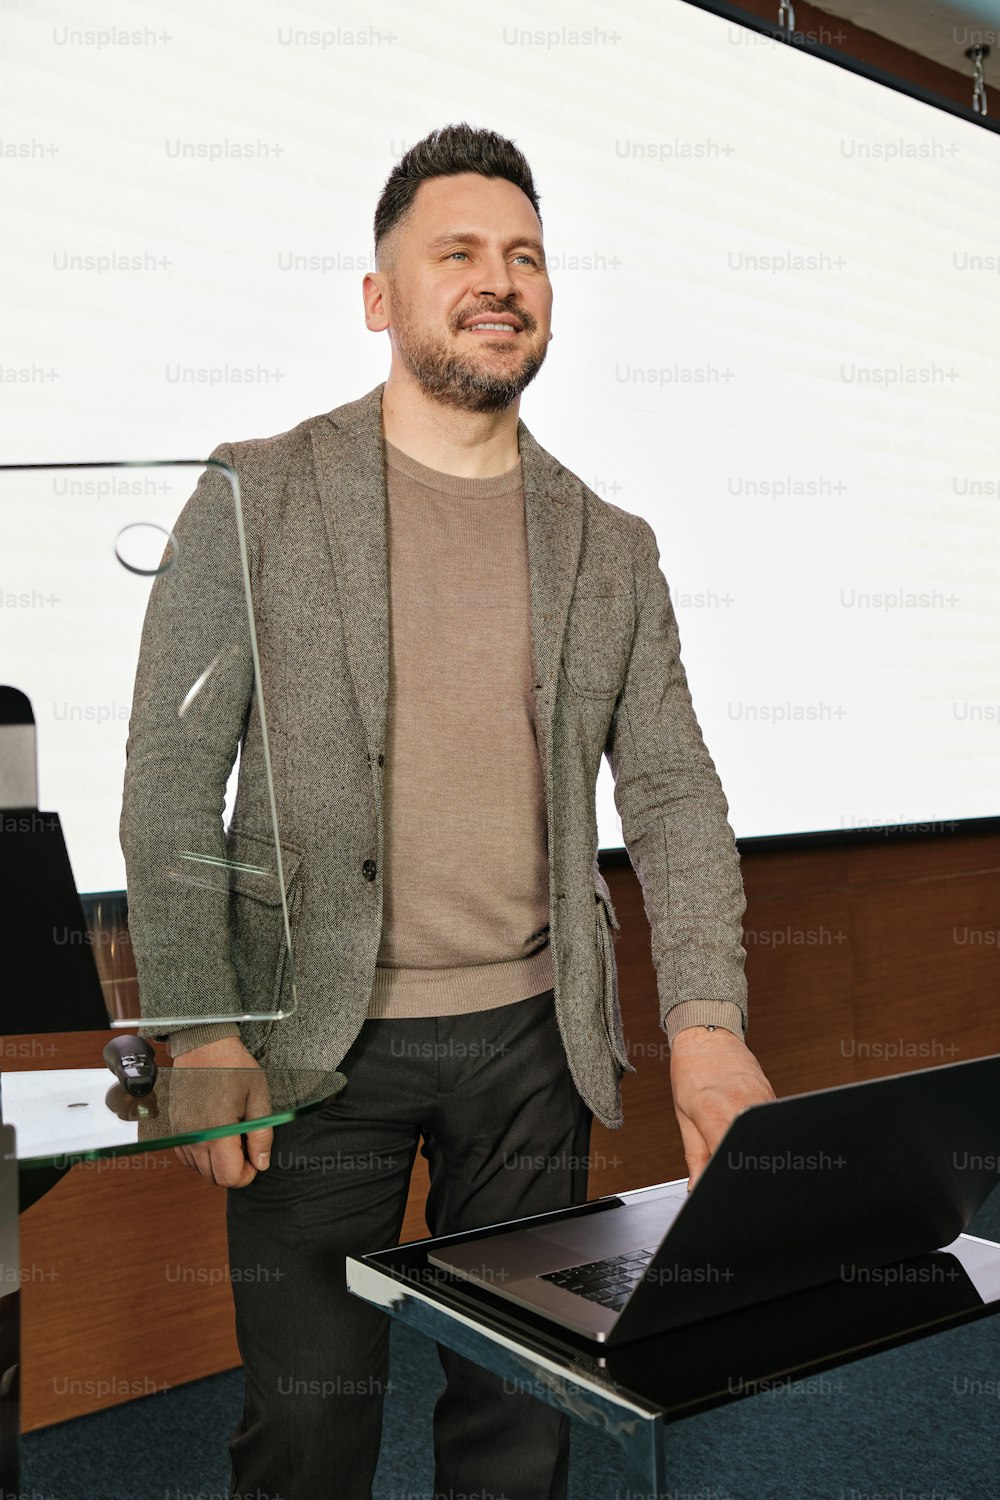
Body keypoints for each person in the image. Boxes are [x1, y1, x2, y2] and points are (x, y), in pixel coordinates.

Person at [121, 122, 775, 1500]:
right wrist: (201, 1025)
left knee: (520, 1420)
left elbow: (670, 785)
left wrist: (707, 1024)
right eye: (460, 252)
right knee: (305, 1434)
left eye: (526, 256)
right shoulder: (257, 494)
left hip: (535, 1048)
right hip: (309, 1048)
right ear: (381, 297)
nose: (501, 279)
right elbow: (172, 776)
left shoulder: (612, 542)